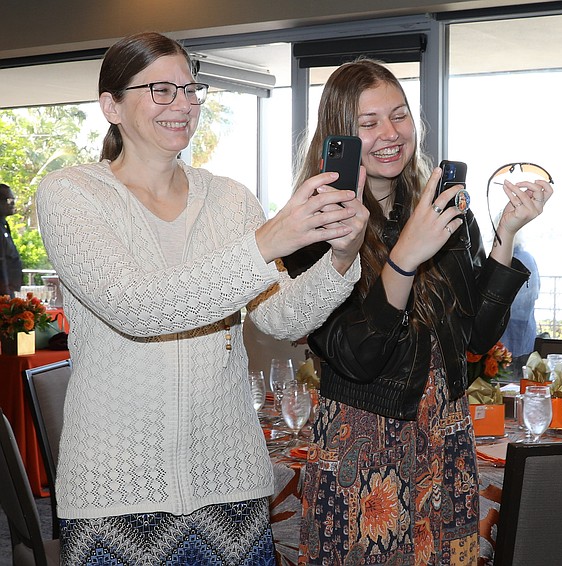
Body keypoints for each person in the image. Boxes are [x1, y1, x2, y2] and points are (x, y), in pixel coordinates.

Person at [36, 32, 368, 564]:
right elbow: (140, 309)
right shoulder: (71, 195)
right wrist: (269, 241)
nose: (183, 105)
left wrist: (341, 259)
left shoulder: (231, 199)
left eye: (190, 90)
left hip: (231, 486)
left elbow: (282, 318)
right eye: (161, 90)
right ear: (111, 106)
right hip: (113, 496)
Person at [286, 58, 551, 565]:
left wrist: (506, 234)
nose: (391, 133)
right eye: (368, 123)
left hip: (445, 433)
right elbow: (357, 357)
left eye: (400, 115)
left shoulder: (443, 211)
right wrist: (406, 255)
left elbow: (475, 340)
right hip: (363, 444)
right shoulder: (310, 226)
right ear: (339, 135)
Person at [499, 234, 540, 377]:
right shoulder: (527, 258)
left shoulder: (512, 259)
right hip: (523, 333)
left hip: (512, 333)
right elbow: (535, 293)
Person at [0, 183, 22, 297]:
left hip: (8, 292)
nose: (13, 203)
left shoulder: (3, 226)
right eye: (9, 200)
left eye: (13, 199)